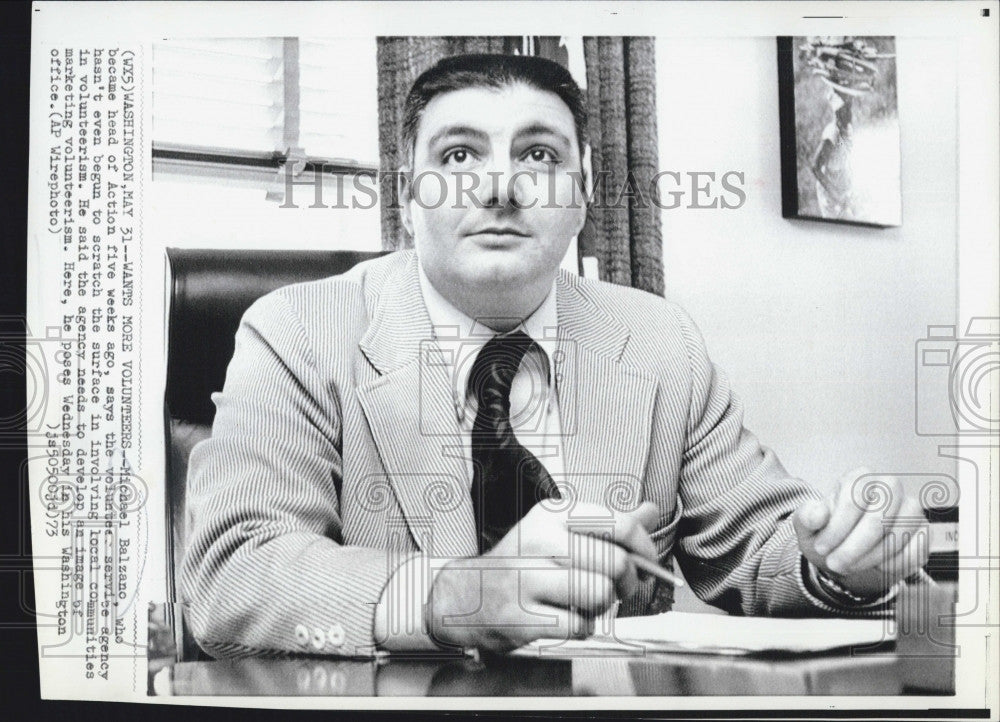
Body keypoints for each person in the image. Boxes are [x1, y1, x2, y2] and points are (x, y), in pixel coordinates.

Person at [181, 53, 928, 659]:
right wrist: (452, 596)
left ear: (585, 189)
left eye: (538, 154)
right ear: (409, 193)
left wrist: (840, 567)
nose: (501, 185)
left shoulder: (661, 340)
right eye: (459, 154)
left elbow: (758, 547)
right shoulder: (297, 331)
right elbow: (232, 572)